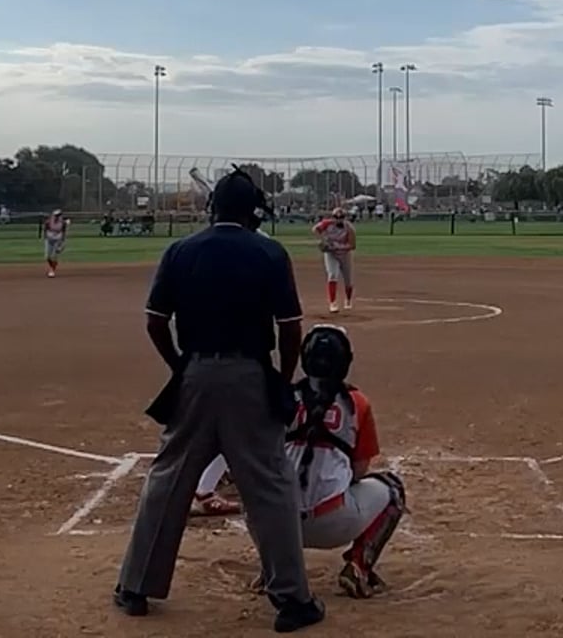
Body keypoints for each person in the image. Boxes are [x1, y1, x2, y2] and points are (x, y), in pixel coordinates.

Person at [112, 168, 324, 632]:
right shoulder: (269, 251)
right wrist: (281, 378)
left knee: (168, 480)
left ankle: (135, 587)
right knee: (269, 486)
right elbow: (290, 329)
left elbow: (155, 321)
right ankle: (292, 600)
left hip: (195, 373)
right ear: (253, 211)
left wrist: (180, 367)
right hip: (250, 374)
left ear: (212, 209)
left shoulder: (181, 250)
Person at [188, 326, 410, 600]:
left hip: (275, 525)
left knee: (257, 487)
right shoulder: (357, 403)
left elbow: (253, 454)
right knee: (392, 488)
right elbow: (359, 470)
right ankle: (358, 567)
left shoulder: (280, 396)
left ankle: (272, 569)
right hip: (332, 523)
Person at [312, 208, 356, 313]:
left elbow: (352, 245)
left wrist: (337, 246)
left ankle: (348, 300)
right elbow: (315, 229)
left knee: (348, 280)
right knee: (332, 275)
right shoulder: (327, 224)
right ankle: (333, 303)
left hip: (344, 254)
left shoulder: (349, 228)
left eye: (341, 217)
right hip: (331, 254)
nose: (339, 219)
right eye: (336, 217)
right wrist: (323, 240)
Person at [42, 209, 69, 278]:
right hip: (49, 240)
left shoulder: (63, 223)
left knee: (54, 256)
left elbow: (64, 232)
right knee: (47, 257)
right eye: (56, 215)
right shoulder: (49, 222)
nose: (57, 217)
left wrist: (63, 243)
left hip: (57, 240)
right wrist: (45, 237)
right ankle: (53, 265)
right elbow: (45, 229)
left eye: (58, 215)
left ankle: (52, 270)